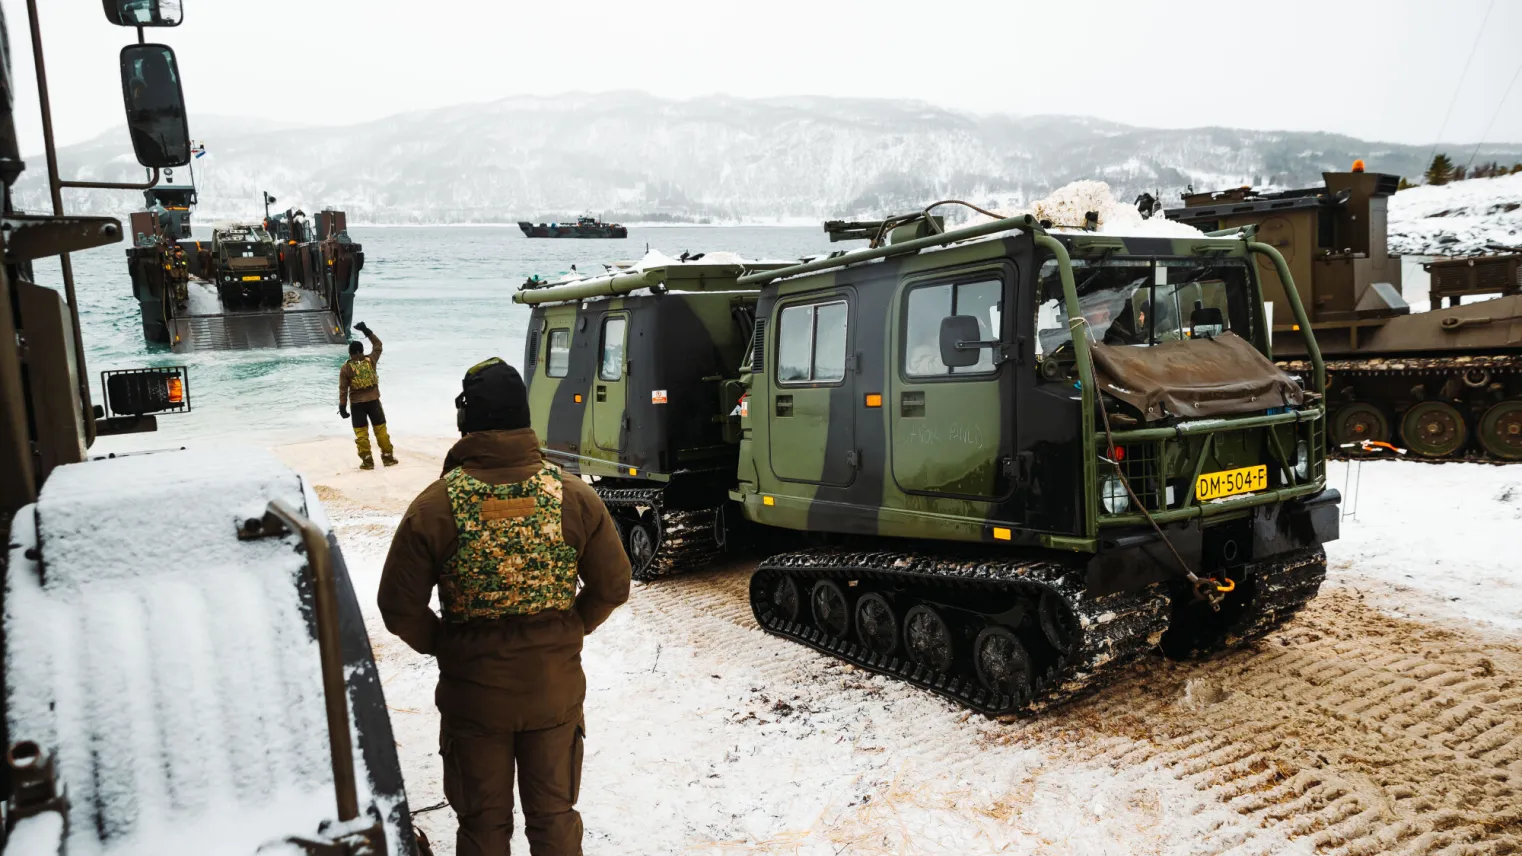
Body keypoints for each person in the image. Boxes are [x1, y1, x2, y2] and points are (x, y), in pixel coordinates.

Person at [377, 358, 631, 856]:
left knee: (482, 827)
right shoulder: (573, 496)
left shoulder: (435, 506)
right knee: (555, 821)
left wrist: (450, 647)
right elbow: (614, 584)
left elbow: (398, 606)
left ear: (466, 420)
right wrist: (569, 630)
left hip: (473, 700)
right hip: (552, 693)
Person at [338, 321, 397, 469]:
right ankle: (388, 458)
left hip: (357, 405)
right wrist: (366, 330)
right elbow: (378, 345)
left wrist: (342, 406)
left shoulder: (346, 367)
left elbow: (343, 388)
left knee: (361, 433)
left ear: (350, 353)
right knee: (381, 431)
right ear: (362, 351)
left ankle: (367, 461)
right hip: (373, 401)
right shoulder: (371, 361)